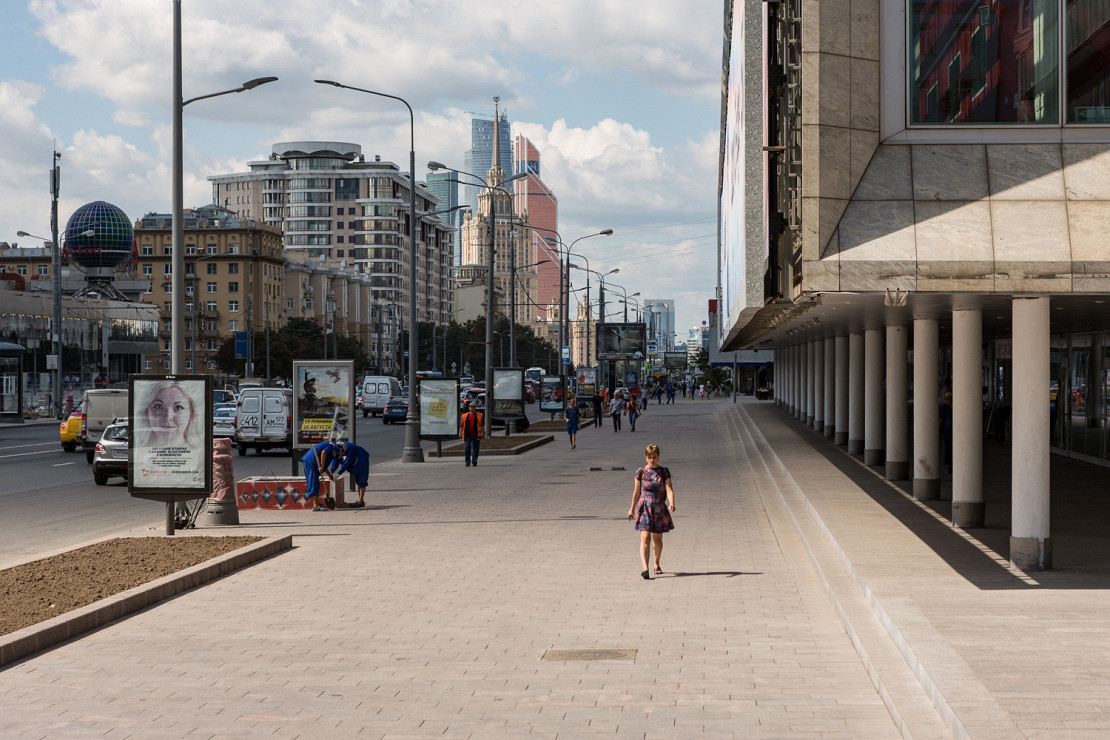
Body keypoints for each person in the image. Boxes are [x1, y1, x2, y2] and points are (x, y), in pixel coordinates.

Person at [627, 443, 675, 579]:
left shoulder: (664, 471)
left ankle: (656, 563)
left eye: (654, 457)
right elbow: (636, 492)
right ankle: (645, 568)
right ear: (645, 457)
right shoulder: (640, 471)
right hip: (644, 508)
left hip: (659, 507)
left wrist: (672, 503)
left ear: (658, 456)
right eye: (649, 457)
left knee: (657, 539)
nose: (652, 459)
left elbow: (669, 488)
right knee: (645, 538)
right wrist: (631, 508)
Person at [135, 380, 203, 450]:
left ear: (191, 412)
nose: (168, 417)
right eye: (158, 406)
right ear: (146, 411)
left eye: (178, 407)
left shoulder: (199, 453)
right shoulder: (139, 451)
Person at [332, 441, 371, 508]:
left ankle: (360, 501)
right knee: (358, 481)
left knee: (361, 481)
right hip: (354, 462)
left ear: (342, 448)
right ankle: (360, 500)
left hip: (361, 460)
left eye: (341, 451)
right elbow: (335, 461)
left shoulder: (348, 448)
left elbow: (346, 463)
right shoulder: (336, 450)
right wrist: (331, 472)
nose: (340, 453)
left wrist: (338, 474)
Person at [301, 440, 337, 511]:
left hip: (312, 462)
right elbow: (323, 453)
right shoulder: (331, 446)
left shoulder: (331, 450)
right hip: (311, 462)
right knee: (313, 483)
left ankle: (316, 504)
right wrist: (322, 466)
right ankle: (316, 505)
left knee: (315, 483)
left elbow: (324, 463)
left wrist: (329, 474)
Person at [459, 400, 484, 467]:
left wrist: (483, 433)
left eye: (473, 407)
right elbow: (462, 425)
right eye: (471, 407)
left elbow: (481, 425)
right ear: (469, 408)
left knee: (476, 448)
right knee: (467, 448)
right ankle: (467, 461)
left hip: (476, 434)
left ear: (475, 408)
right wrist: (460, 433)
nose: (472, 408)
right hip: (468, 435)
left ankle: (474, 461)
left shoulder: (479, 415)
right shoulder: (465, 415)